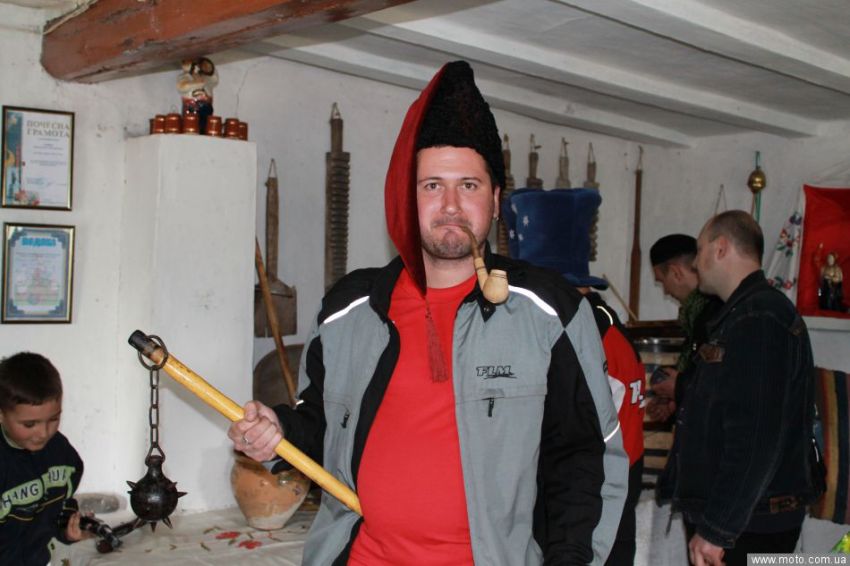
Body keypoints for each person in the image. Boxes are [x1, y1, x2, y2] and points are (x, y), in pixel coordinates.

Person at [228, 61, 628, 565]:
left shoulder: (549, 310)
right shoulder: (348, 309)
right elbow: (322, 423)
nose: (451, 205)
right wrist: (278, 432)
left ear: (496, 200)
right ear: (405, 197)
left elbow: (584, 461)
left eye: (470, 185)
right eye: (432, 185)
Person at [502, 187, 645, 566]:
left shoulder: (586, 336)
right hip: (593, 506)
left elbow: (580, 446)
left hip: (589, 519)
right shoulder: (601, 324)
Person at [676, 210, 820, 566]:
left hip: (749, 524)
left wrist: (718, 529)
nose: (695, 262)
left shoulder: (759, 319)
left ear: (721, 248)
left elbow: (756, 436)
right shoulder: (740, 315)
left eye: (699, 250)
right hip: (743, 517)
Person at [0, 352, 89, 565]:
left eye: (53, 419)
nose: (43, 433)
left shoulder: (61, 453)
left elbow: (60, 505)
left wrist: (67, 529)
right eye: (29, 424)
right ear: (1, 414)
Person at [646, 234, 722, 425]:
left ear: (676, 272)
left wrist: (679, 387)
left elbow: (719, 385)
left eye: (662, 281)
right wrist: (674, 402)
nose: (666, 291)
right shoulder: (696, 315)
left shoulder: (715, 315)